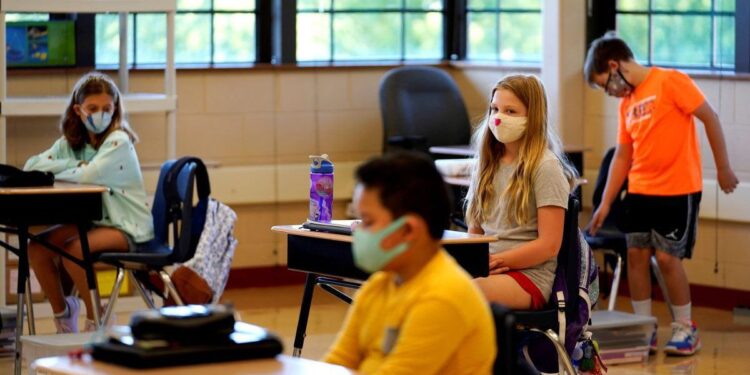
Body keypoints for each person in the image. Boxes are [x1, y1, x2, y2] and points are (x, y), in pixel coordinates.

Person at [584, 32, 739, 356]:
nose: (609, 93)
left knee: (667, 258)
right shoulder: (627, 104)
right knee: (637, 257)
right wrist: (606, 203)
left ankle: (685, 328)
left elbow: (709, 117)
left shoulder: (670, 81)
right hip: (640, 191)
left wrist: (723, 167)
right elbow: (623, 156)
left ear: (615, 66)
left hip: (677, 190)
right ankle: (645, 329)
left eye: (606, 84)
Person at [323, 151, 496, 374]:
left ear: (408, 230)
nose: (357, 232)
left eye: (367, 221)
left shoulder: (444, 296)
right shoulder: (379, 285)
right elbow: (338, 362)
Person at [24, 72, 154, 333]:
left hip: (127, 226)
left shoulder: (119, 140)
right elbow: (31, 166)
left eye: (107, 108)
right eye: (92, 108)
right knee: (36, 250)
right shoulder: (71, 144)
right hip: (95, 222)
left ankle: (99, 319)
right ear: (78, 110)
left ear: (115, 109)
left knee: (75, 250)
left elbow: (89, 175)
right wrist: (75, 163)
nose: (100, 114)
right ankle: (64, 313)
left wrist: (72, 169)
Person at [465, 74, 577, 310]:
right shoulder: (487, 163)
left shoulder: (545, 167)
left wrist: (496, 261)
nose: (498, 118)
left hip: (529, 276)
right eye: (494, 109)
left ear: (532, 116)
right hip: (490, 269)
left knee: (462, 294)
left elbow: (549, 245)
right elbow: (475, 232)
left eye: (510, 111)